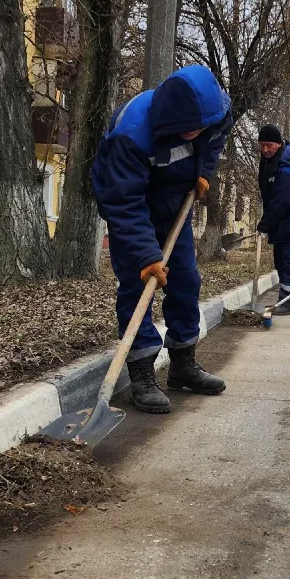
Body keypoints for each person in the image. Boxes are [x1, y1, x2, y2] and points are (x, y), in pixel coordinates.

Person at [91, 65, 232, 414]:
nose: (198, 132)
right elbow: (123, 201)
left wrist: (203, 174)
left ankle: (183, 366)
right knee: (139, 286)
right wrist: (146, 256)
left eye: (203, 127)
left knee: (185, 280)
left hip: (174, 205)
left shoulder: (215, 115)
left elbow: (213, 143)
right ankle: (141, 374)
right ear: (171, 120)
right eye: (190, 129)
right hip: (130, 208)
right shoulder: (133, 133)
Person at [257, 124, 290, 315]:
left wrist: (264, 225)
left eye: (269, 145)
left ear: (278, 144)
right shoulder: (269, 161)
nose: (265, 149)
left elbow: (280, 202)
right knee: (280, 262)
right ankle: (285, 298)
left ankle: (289, 304)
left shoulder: (288, 168)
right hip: (281, 223)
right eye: (262, 145)